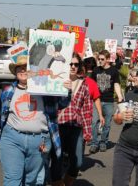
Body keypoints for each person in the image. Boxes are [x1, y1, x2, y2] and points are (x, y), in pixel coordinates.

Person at [0, 55, 72, 186]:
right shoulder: (8, 91)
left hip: (39, 140)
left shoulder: (45, 90)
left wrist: (67, 90)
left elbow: (62, 103)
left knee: (31, 180)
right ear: (15, 72)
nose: (22, 71)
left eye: (26, 68)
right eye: (19, 68)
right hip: (11, 139)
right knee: (12, 180)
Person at [50, 53, 93, 186]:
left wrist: (87, 131)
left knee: (78, 161)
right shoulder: (56, 80)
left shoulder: (84, 84)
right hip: (59, 125)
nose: (73, 67)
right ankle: (57, 182)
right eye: (71, 64)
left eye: (76, 64)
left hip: (76, 126)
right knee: (57, 158)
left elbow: (86, 109)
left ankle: (67, 182)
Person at [89, 50, 123, 153]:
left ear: (108, 59)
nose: (100, 61)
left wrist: (120, 97)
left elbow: (116, 84)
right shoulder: (95, 70)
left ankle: (103, 142)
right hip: (96, 100)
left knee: (107, 123)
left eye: (102, 59)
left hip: (108, 101)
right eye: (99, 59)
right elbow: (91, 85)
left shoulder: (114, 71)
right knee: (94, 122)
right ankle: (94, 143)